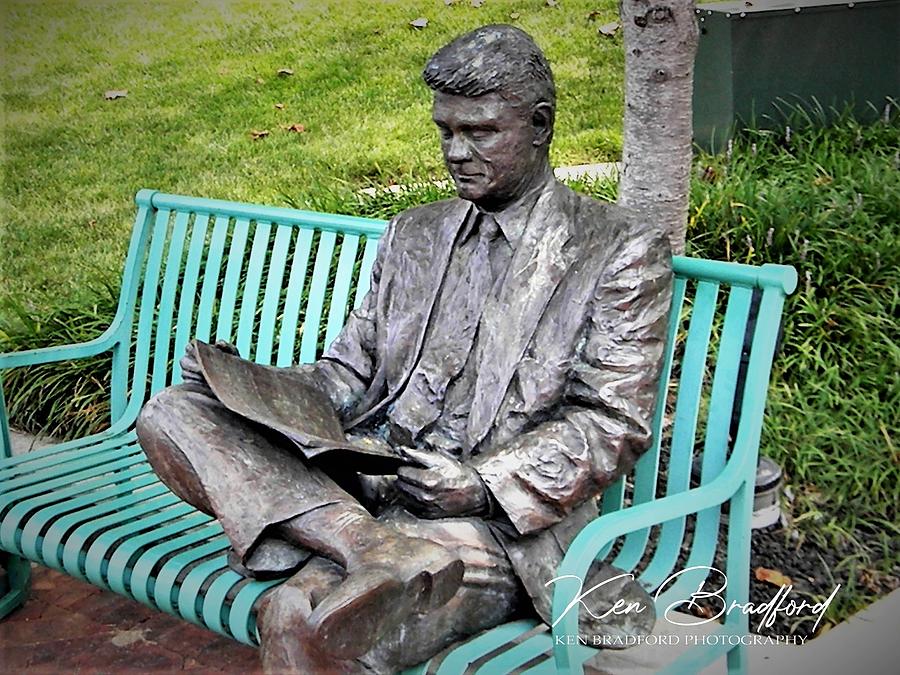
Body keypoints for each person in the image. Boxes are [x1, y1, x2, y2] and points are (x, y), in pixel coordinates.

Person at [136, 24, 673, 674]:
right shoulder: (413, 234)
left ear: (539, 124)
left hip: (494, 529)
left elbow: (611, 420)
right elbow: (346, 374)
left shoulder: (615, 248)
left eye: (480, 132)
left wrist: (480, 485)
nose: (456, 151)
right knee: (173, 409)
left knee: (297, 615)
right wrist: (245, 387)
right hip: (365, 487)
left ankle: (375, 553)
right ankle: (367, 545)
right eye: (446, 130)